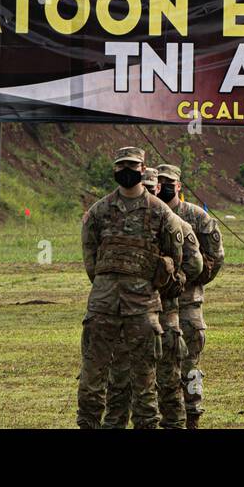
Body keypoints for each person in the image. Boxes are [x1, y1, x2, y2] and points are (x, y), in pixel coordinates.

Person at [77, 146, 187, 429]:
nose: (127, 171)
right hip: (103, 306)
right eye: (121, 166)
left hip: (142, 308)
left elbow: (173, 260)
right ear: (115, 170)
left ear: (142, 169)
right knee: (92, 377)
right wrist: (108, 284)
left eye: (132, 166)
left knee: (144, 382)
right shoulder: (99, 211)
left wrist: (148, 282)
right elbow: (91, 258)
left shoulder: (161, 213)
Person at [157, 163, 225, 428]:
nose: (164, 186)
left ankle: (193, 413)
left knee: (190, 363)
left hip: (188, 303)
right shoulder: (150, 214)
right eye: (159, 181)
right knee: (160, 363)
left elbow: (216, 256)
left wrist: (194, 280)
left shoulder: (197, 217)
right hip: (158, 304)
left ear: (179, 185)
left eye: (169, 182)